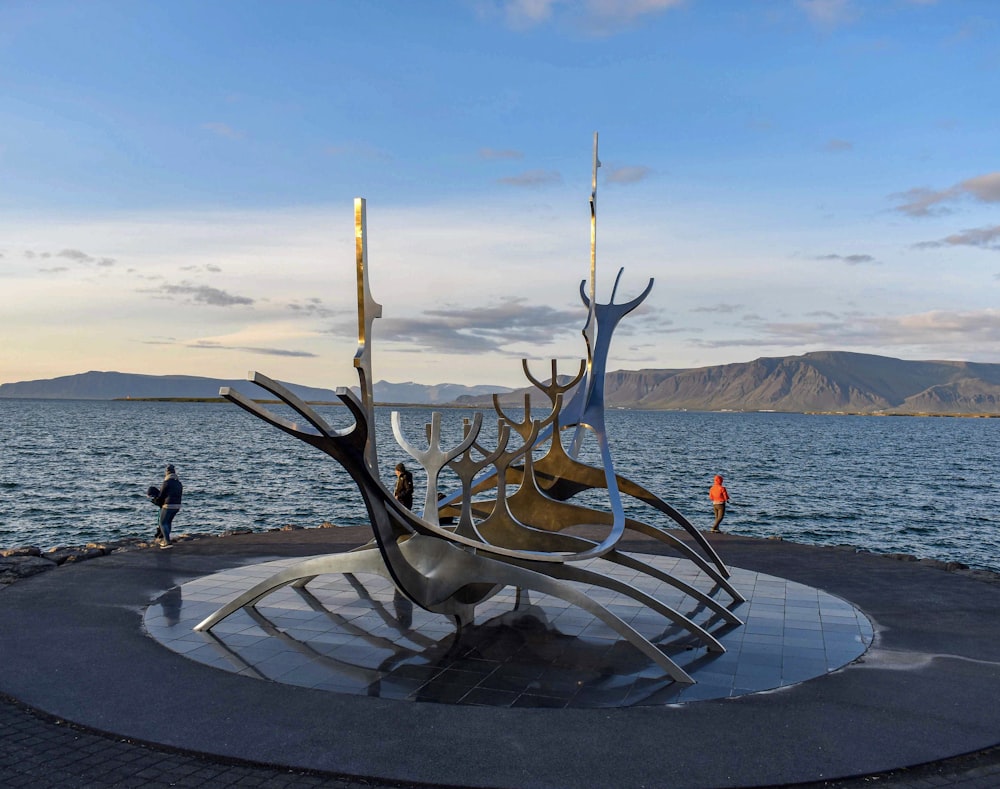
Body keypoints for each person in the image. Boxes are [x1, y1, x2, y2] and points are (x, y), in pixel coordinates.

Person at [151, 464, 183, 547]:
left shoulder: (166, 482)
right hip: (177, 505)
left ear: (167, 473)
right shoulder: (179, 483)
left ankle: (167, 542)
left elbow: (161, 495)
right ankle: (166, 539)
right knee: (168, 522)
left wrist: (156, 500)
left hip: (168, 505)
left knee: (162, 523)